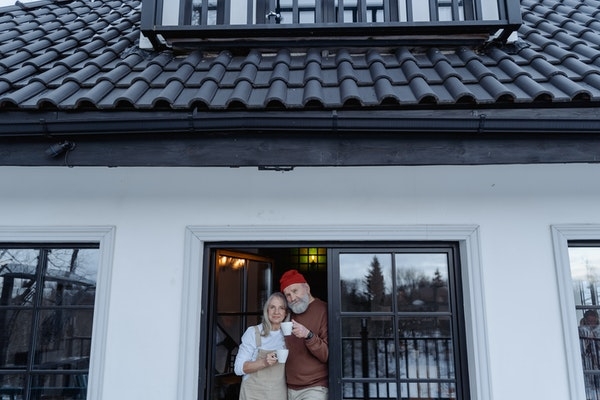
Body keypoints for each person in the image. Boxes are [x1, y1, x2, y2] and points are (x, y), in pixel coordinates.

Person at [279, 269, 328, 400]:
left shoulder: (324, 310)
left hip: (315, 388)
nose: (292, 298)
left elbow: (327, 355)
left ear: (307, 287)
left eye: (295, 291)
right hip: (287, 388)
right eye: (288, 295)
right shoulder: (287, 313)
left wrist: (308, 335)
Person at [234, 292, 289, 400]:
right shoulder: (253, 332)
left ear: (286, 312)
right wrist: (264, 362)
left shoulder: (290, 336)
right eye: (272, 307)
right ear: (267, 310)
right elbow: (238, 368)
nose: (276, 312)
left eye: (281, 308)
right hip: (253, 393)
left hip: (278, 393)